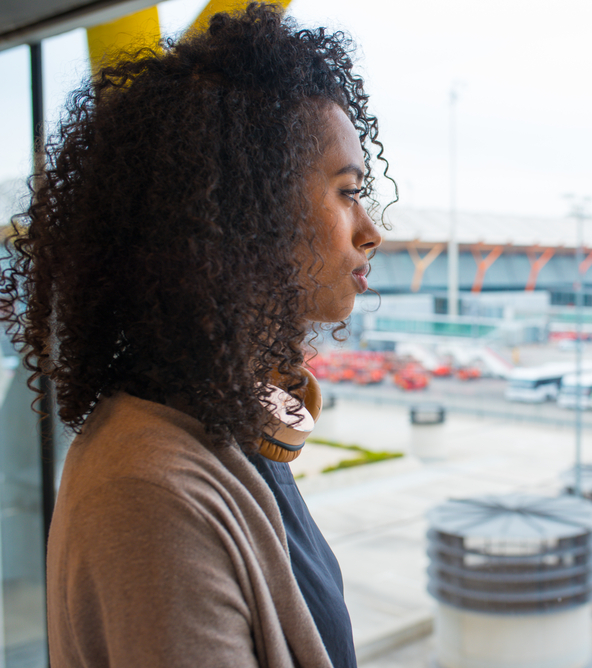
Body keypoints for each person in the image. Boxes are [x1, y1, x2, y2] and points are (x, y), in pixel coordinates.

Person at [0, 4, 389, 666]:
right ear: (247, 211)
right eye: (348, 192)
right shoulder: (150, 494)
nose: (372, 228)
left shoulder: (219, 422)